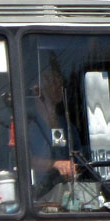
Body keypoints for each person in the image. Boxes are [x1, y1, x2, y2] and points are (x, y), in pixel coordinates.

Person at [27, 57, 78, 194]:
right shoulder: (27, 127)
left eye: (60, 80)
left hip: (70, 193)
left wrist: (75, 167)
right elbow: (22, 162)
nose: (60, 85)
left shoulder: (68, 126)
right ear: (38, 90)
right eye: (53, 81)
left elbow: (80, 158)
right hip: (38, 196)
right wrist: (55, 164)